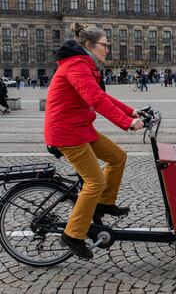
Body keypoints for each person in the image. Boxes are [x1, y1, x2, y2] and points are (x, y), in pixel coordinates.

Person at [44, 23, 144, 260]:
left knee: (117, 157)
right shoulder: (76, 66)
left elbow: (101, 96)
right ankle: (73, 235)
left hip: (80, 128)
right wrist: (125, 122)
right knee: (94, 181)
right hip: (67, 133)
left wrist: (131, 112)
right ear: (89, 45)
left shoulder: (85, 64)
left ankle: (103, 204)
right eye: (104, 45)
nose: (108, 49)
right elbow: (95, 99)